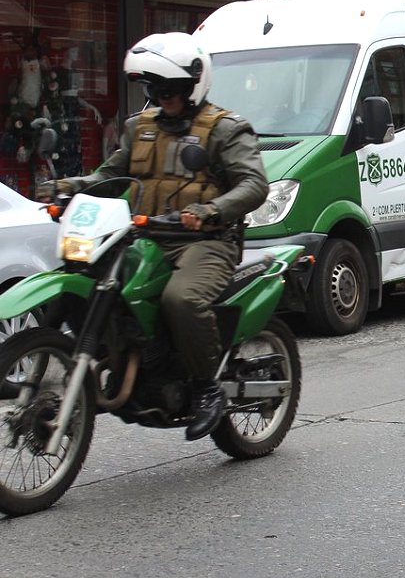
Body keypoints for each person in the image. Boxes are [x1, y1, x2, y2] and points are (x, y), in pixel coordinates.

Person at [35, 32, 269, 441]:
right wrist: (70, 186)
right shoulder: (139, 128)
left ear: (193, 84)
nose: (163, 97)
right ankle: (122, 358)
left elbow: (253, 184)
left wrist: (210, 210)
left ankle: (207, 387)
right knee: (87, 282)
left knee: (182, 299)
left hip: (206, 241)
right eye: (155, 88)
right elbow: (109, 177)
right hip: (143, 236)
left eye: (171, 88)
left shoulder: (225, 129)